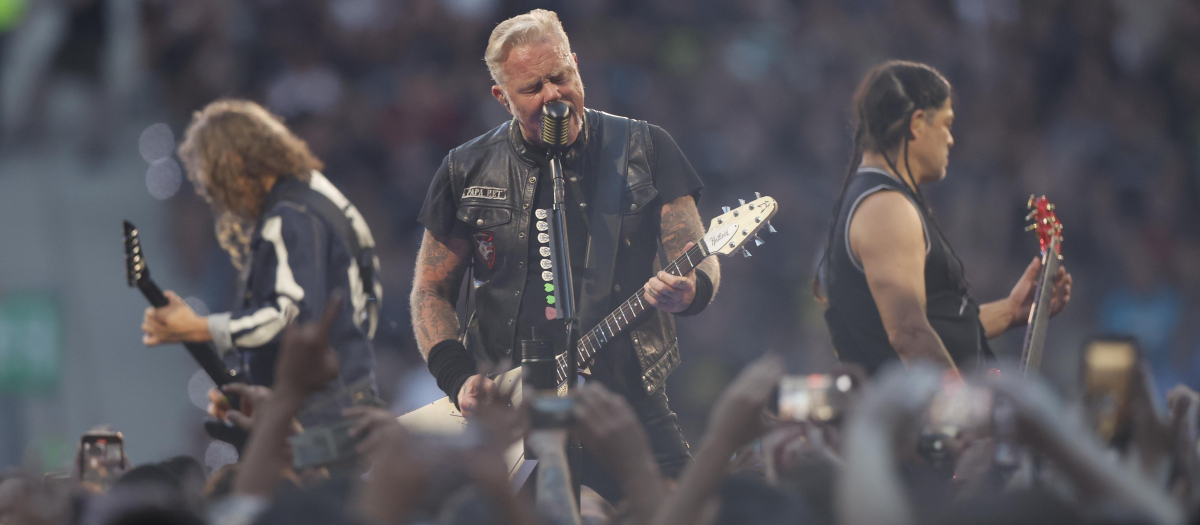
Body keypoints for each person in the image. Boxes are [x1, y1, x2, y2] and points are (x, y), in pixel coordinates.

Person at [412, 9, 720, 500]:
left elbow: (696, 251)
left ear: (576, 64)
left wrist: (692, 289)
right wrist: (457, 376)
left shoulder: (643, 146)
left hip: (627, 398)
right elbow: (431, 289)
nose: (553, 96)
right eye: (533, 88)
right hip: (510, 409)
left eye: (560, 77)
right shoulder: (464, 170)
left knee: (681, 508)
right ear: (502, 97)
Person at [815, 60, 1073, 378]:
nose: (951, 140)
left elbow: (928, 327)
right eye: (947, 125)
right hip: (911, 425)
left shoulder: (881, 200)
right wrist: (964, 408)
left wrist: (1009, 312)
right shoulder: (886, 209)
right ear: (918, 123)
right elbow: (909, 335)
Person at [140, 99, 383, 425]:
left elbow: (292, 318)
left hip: (323, 418)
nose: (212, 194)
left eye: (213, 177)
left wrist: (200, 327)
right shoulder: (298, 203)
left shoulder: (293, 215)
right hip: (320, 407)